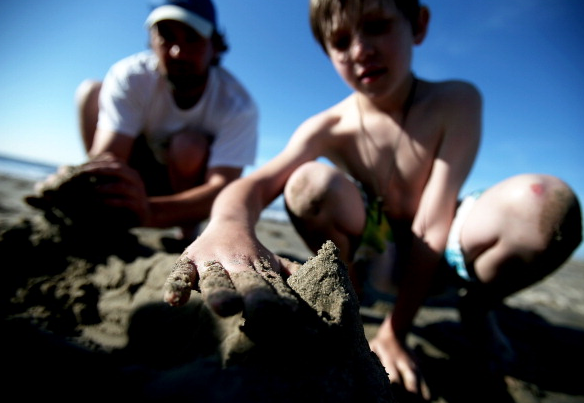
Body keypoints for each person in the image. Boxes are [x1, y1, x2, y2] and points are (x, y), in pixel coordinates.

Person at [163, 0, 582, 399]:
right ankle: (351, 302)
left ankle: (477, 308)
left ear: (417, 24)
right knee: (308, 183)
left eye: (378, 26)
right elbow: (259, 182)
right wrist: (228, 225)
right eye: (341, 41)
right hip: (376, 257)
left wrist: (396, 332)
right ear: (326, 52)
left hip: (444, 260)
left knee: (545, 205)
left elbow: (432, 220)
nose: (361, 49)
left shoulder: (456, 101)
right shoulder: (329, 125)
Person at [63, 0, 258, 239]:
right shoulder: (131, 76)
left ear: (214, 46)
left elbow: (222, 189)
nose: (178, 52)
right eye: (166, 36)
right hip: (138, 175)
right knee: (91, 92)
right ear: (152, 41)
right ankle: (107, 205)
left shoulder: (237, 105)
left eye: (192, 37)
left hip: (187, 193)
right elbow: (109, 156)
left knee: (189, 145)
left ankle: (187, 234)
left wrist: (149, 212)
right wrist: (78, 183)